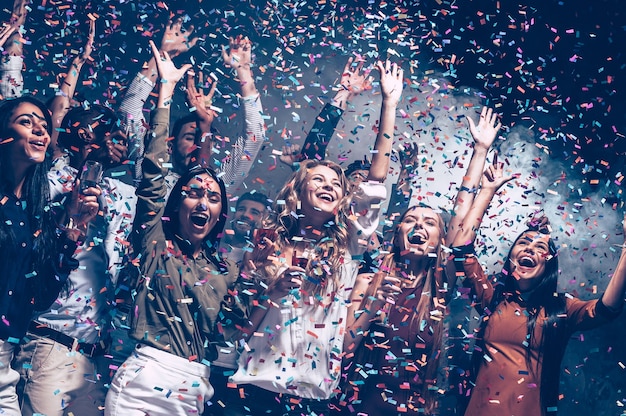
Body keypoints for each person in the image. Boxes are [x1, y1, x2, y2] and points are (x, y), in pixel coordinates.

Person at [223, 59, 402, 416]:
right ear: (298, 190)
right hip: (254, 392)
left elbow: (376, 184)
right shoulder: (267, 246)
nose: (329, 186)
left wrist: (389, 104)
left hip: (311, 399)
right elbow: (238, 329)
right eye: (318, 180)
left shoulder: (348, 248)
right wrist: (272, 292)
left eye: (336, 184)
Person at [338, 107, 503, 415]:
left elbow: (462, 221)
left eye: (429, 222)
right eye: (410, 220)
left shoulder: (440, 284)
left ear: (440, 239)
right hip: (356, 406)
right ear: (397, 233)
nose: (419, 226)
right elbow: (344, 351)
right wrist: (372, 306)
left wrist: (480, 152)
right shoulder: (368, 280)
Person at [104, 40, 236, 416]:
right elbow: (152, 174)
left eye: (212, 198)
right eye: (192, 194)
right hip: (143, 377)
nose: (202, 202)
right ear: (176, 204)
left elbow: (240, 323)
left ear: (220, 214)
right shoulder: (155, 241)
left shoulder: (223, 270)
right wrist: (166, 92)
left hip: (195, 386)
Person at [451, 160, 626, 416]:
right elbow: (461, 250)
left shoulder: (561, 308)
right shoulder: (493, 299)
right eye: (523, 243)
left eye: (540, 247)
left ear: (549, 264)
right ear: (510, 257)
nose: (530, 248)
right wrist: (487, 190)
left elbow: (607, 308)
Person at [14, 103, 136, 416]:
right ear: (82, 134)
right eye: (110, 131)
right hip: (48, 347)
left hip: (95, 358)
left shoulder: (123, 194)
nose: (120, 138)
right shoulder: (49, 180)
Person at [0, 96, 98, 414]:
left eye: (45, 126)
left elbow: (41, 297)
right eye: (27, 122)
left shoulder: (34, 213)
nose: (41, 131)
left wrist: (70, 234)